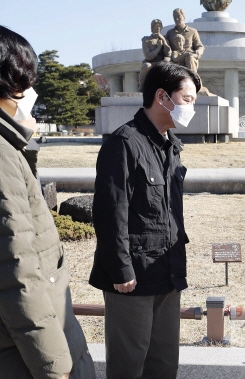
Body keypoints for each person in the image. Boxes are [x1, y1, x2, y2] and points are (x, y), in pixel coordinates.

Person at [89, 62, 201, 379]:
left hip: (167, 273)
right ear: (162, 97)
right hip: (132, 280)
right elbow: (111, 212)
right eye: (188, 98)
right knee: (129, 365)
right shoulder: (125, 143)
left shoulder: (170, 146)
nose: (192, 107)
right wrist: (121, 270)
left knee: (164, 364)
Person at [0, 26, 95, 379]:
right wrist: (56, 369)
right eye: (26, 78)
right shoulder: (2, 156)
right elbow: (18, 274)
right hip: (26, 355)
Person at [139, 19, 171, 91]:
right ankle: (142, 86)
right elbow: (149, 56)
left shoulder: (165, 39)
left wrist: (164, 41)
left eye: (160, 26)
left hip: (161, 61)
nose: (158, 28)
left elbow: (168, 54)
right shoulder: (146, 40)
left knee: (167, 66)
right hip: (151, 62)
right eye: (156, 26)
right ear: (152, 28)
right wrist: (159, 47)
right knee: (146, 66)